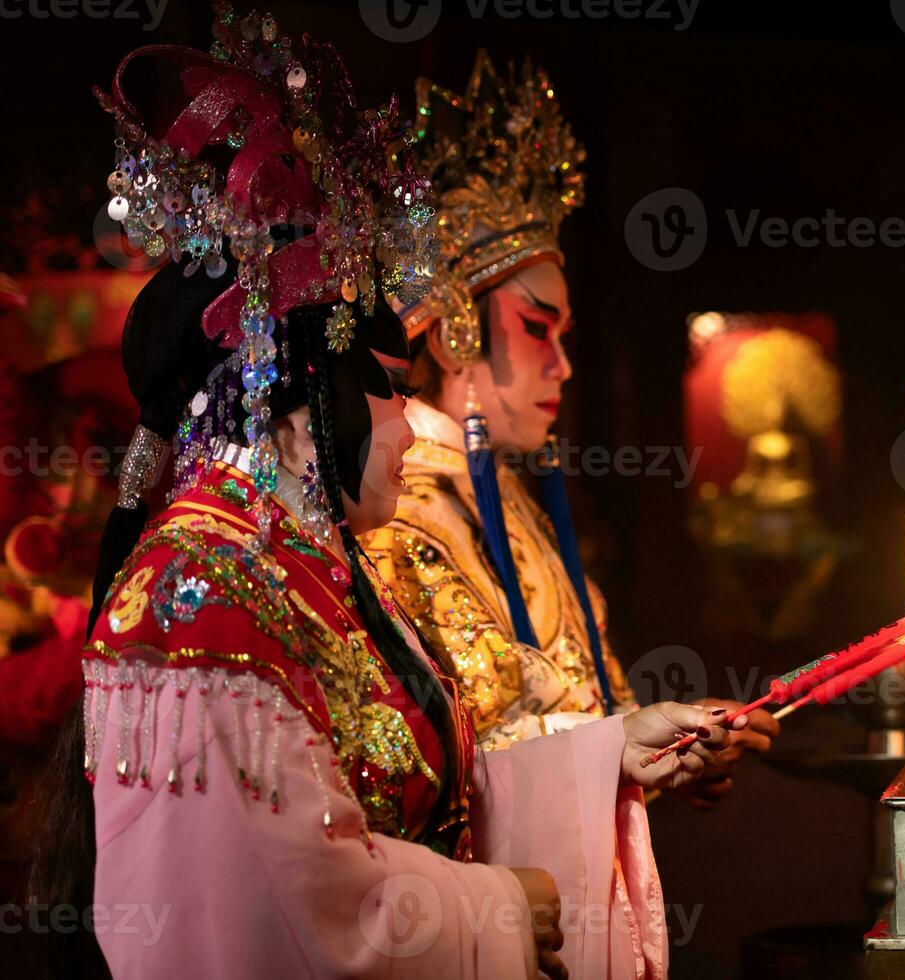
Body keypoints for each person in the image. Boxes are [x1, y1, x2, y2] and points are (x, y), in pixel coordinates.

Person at [29, 12, 739, 979]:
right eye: (392, 390)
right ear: (299, 395)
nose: (410, 425)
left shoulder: (310, 569)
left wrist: (606, 756)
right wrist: (502, 907)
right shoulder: (203, 602)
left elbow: (427, 800)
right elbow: (277, 918)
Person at [363, 54, 777, 805]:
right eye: (534, 328)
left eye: (564, 336)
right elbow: (453, 764)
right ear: (456, 331)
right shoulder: (392, 510)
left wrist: (678, 745)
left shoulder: (506, 495)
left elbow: (592, 716)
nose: (562, 366)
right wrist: (625, 747)